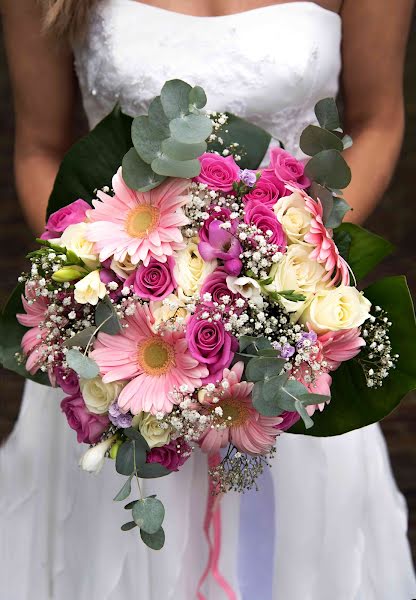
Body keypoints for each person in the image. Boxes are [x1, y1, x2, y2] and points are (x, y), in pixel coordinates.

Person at [1, 1, 415, 598]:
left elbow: (380, 120)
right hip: (118, 338)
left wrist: (288, 265)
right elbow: (39, 146)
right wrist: (110, 274)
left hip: (291, 346)